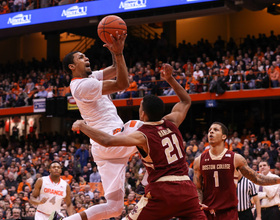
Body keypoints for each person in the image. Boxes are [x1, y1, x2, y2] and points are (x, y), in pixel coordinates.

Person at [70, 63, 206, 219]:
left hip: (162, 189)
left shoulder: (142, 135)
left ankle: (145, 185)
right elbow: (185, 101)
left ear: (143, 114)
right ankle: (144, 185)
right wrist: (170, 79)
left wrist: (82, 125)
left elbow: (107, 141)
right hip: (186, 189)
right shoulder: (172, 122)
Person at [49, 31, 143, 220]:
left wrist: (118, 51)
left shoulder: (90, 79)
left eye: (85, 55)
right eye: (81, 57)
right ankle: (152, 183)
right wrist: (117, 54)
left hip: (104, 149)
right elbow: (122, 83)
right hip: (111, 138)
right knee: (145, 128)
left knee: (114, 208)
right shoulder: (82, 86)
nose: (86, 58)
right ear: (72, 66)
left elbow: (116, 69)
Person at [193, 122, 280, 220]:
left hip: (229, 213)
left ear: (224, 136)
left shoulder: (236, 158)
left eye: (215, 130)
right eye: (209, 130)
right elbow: (198, 188)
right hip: (207, 213)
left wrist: (278, 180)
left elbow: (257, 178)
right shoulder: (198, 160)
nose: (211, 132)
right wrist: (199, 202)